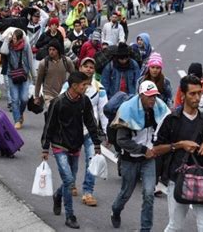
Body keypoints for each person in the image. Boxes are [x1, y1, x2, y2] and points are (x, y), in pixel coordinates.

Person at [153, 75, 203, 231]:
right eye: (192, 94)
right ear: (183, 95)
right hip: (178, 179)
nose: (197, 97)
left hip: (202, 178)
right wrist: (179, 145)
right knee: (175, 226)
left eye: (199, 93)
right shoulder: (170, 119)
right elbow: (156, 149)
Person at [41, 71, 102, 229]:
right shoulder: (58, 102)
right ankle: (70, 215)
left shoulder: (84, 101)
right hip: (59, 145)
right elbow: (49, 126)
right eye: (83, 85)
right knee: (69, 181)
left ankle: (58, 195)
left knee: (70, 180)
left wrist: (96, 144)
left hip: (76, 145)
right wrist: (45, 148)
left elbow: (90, 123)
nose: (86, 87)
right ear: (74, 86)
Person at [110, 80, 170, 231]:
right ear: (141, 95)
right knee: (126, 193)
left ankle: (145, 229)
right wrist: (143, 149)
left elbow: (167, 126)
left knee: (149, 194)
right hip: (129, 159)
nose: (152, 99)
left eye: (154, 96)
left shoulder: (159, 107)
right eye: (149, 96)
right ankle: (116, 211)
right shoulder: (127, 110)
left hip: (149, 159)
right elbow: (121, 140)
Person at [60, 58, 108, 206]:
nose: (88, 69)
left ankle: (88, 192)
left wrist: (107, 132)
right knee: (72, 162)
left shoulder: (99, 89)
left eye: (91, 67)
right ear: (79, 68)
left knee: (91, 160)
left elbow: (103, 111)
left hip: (89, 131)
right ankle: (71, 183)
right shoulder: (68, 85)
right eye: (85, 66)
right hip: (71, 131)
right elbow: (60, 104)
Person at [0, 29, 36, 129]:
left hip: (24, 74)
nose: (14, 40)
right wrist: (7, 40)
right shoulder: (9, 45)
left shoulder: (25, 45)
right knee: (14, 99)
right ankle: (17, 120)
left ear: (20, 39)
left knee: (24, 98)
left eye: (15, 38)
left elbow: (30, 60)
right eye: (13, 38)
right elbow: (3, 51)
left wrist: (34, 76)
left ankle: (20, 114)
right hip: (11, 74)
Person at [34, 39, 75, 107]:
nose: (51, 52)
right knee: (52, 111)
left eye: (53, 50)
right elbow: (38, 81)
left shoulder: (66, 61)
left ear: (58, 50)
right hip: (48, 94)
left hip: (63, 94)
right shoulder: (44, 63)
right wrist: (36, 96)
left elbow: (74, 76)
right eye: (49, 49)